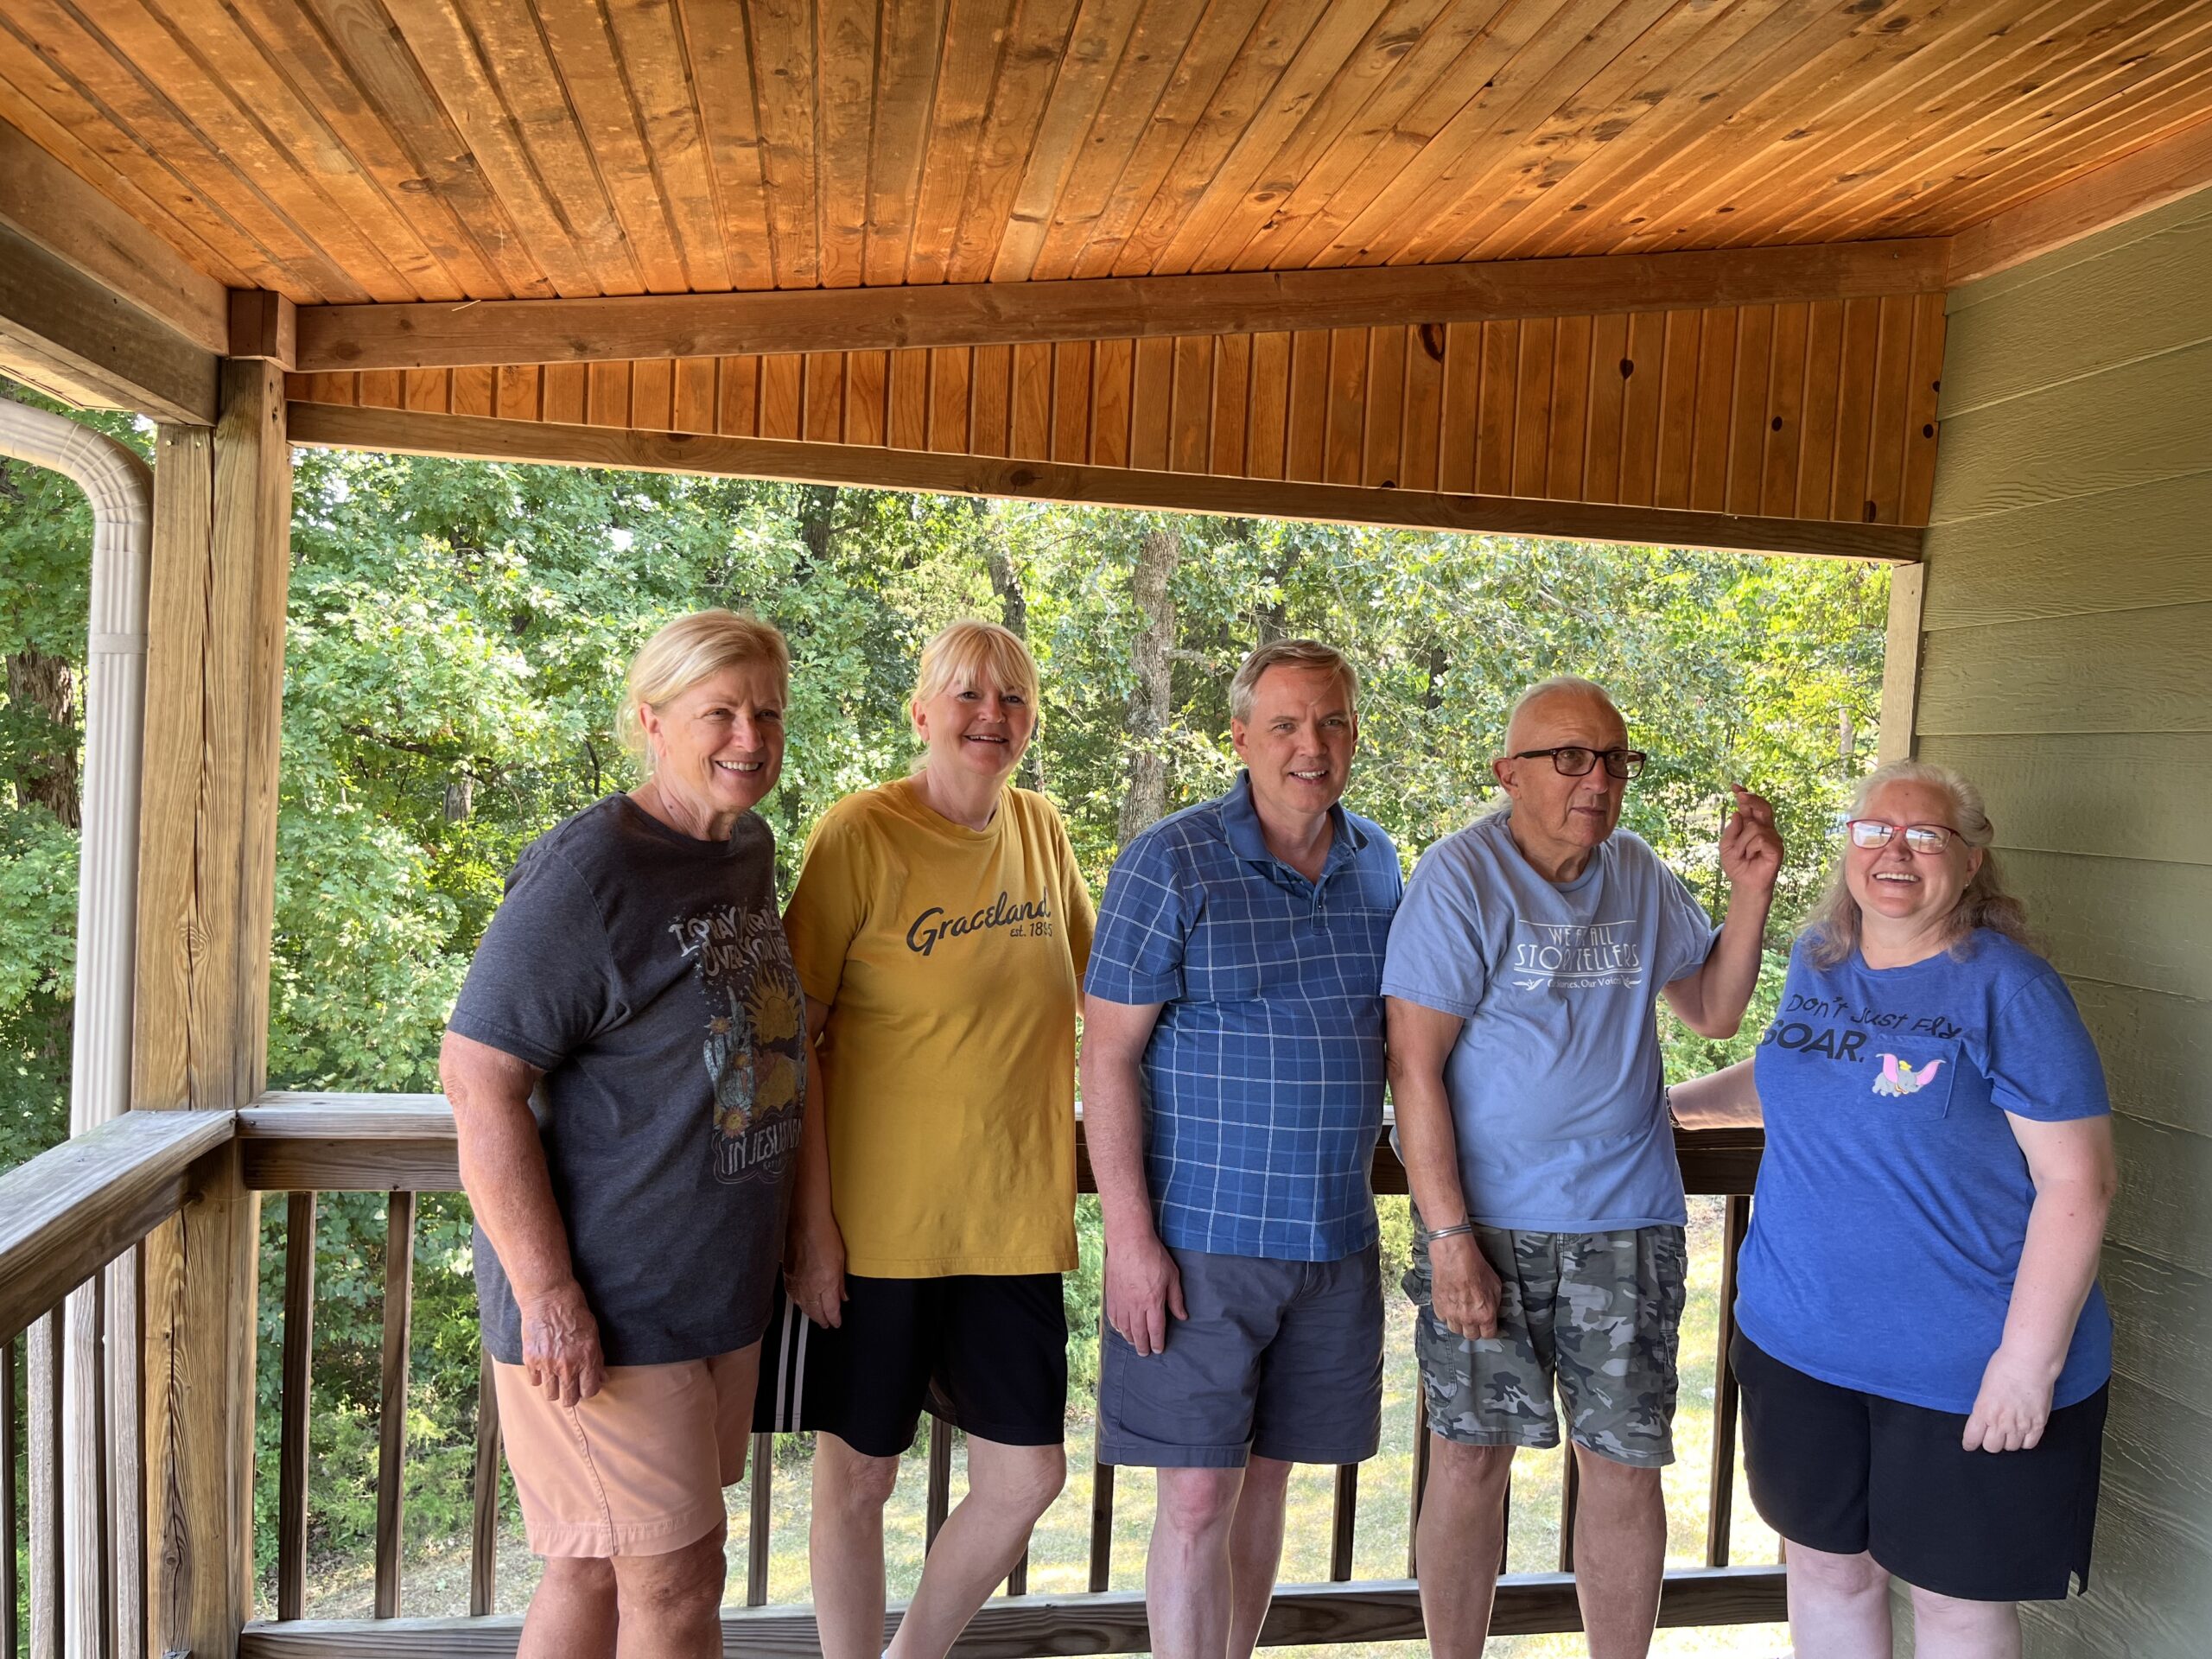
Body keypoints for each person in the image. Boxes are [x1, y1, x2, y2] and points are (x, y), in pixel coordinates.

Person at [1383, 675, 1783, 1659]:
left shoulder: (1637, 872)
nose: (1596, 779)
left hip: (1627, 1223)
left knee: (1623, 1466)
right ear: (1507, 773)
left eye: (1613, 759)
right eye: (1570, 756)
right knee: (1470, 1463)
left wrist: (1751, 891)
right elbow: (1413, 1069)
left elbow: (1713, 1011)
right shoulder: (1459, 877)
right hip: (1489, 1229)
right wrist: (1447, 1240)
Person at [1687, 760, 2115, 1659]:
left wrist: (2024, 1367)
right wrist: (1663, 1106)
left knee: (1955, 1605)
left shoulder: (2011, 990)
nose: (1895, 851)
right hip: (1799, 1345)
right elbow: (1800, 1076)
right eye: (1874, 831)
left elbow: (2079, 1184)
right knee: (1827, 1573)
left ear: (1969, 861)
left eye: (1925, 836)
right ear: (1847, 847)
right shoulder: (1822, 958)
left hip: (1963, 1368)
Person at [442, 610, 808, 1659]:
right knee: (680, 1581)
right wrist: (550, 1297)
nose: (749, 736)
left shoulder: (742, 846)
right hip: (610, 1305)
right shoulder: (592, 870)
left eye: (767, 712)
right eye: (720, 712)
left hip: (707, 1286)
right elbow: (476, 1080)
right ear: (651, 721)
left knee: (596, 1561)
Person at [758, 620, 1095, 1659]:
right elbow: (787, 1042)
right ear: (921, 711)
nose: (991, 716)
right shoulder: (860, 833)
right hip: (876, 1228)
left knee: (1027, 1475)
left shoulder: (1040, 829)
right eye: (968, 696)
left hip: (1010, 1218)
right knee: (858, 1475)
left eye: (1013, 700)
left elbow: (1113, 994)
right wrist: (810, 1233)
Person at [1083, 639, 1404, 1659]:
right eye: (1285, 723)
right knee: (1194, 1501)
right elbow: (1106, 1058)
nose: (1310, 744)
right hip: (1198, 1246)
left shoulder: (1382, 864)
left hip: (1334, 1240)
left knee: (1270, 1486)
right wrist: (1129, 1241)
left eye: (1332, 721)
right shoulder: (1170, 859)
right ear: (1240, 737)